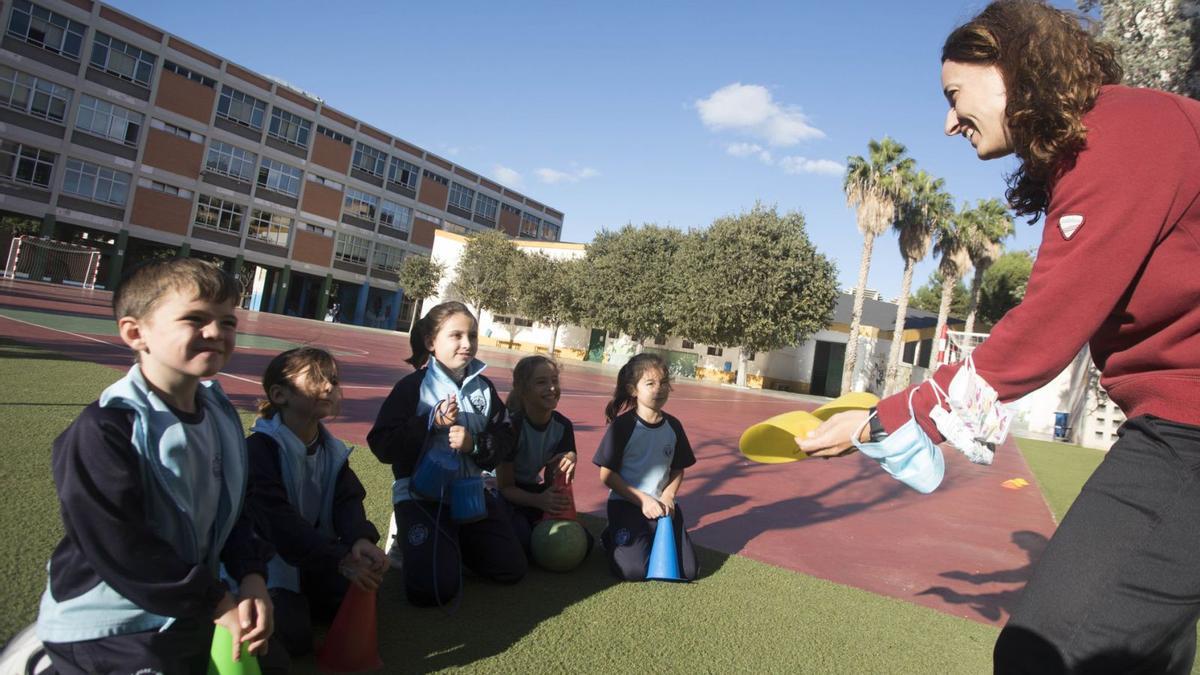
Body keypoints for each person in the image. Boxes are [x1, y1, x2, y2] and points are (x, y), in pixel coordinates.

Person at [798, 1, 1200, 672]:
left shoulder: (1120, 133)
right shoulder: (1112, 139)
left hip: (1187, 434)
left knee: (1042, 654)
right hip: (1173, 425)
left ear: (1011, 63)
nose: (948, 121)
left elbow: (1039, 333)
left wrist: (887, 419)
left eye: (954, 95)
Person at [36, 258, 273, 674]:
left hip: (191, 602)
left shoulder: (220, 413)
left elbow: (235, 509)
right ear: (135, 333)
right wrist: (216, 601)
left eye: (228, 321)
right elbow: (121, 545)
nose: (216, 332)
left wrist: (251, 577)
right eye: (195, 319)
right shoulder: (108, 427)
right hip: (113, 622)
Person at [367, 301, 526, 606]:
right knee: (431, 591)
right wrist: (429, 423)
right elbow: (382, 444)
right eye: (456, 336)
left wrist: (475, 444)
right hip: (421, 497)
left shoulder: (485, 389)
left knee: (511, 569)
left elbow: (507, 437)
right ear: (430, 342)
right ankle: (406, 536)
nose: (467, 344)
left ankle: (449, 545)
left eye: (473, 336)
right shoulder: (413, 387)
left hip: (469, 496)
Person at [245, 347, 387, 663]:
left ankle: (308, 598)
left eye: (333, 381)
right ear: (280, 394)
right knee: (295, 640)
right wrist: (339, 559)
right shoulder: (260, 450)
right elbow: (278, 523)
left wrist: (359, 540)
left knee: (361, 589)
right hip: (265, 563)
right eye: (316, 379)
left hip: (312, 555)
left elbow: (346, 501)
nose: (328, 387)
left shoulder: (331, 451)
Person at [593, 353, 699, 581]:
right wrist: (643, 500)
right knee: (633, 571)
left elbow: (678, 468)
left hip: (663, 507)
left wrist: (669, 495)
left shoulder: (674, 426)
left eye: (663, 383)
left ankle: (647, 536)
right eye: (650, 383)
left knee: (689, 571)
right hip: (627, 503)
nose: (658, 389)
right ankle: (610, 536)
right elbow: (607, 475)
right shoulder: (623, 426)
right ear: (633, 389)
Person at [495, 355, 595, 560]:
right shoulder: (512, 426)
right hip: (503, 494)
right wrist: (539, 501)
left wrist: (567, 461)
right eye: (542, 382)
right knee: (522, 541)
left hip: (532, 492)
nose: (551, 388)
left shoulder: (562, 426)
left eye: (554, 380)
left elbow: (553, 484)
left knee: (584, 541)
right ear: (523, 390)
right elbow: (505, 487)